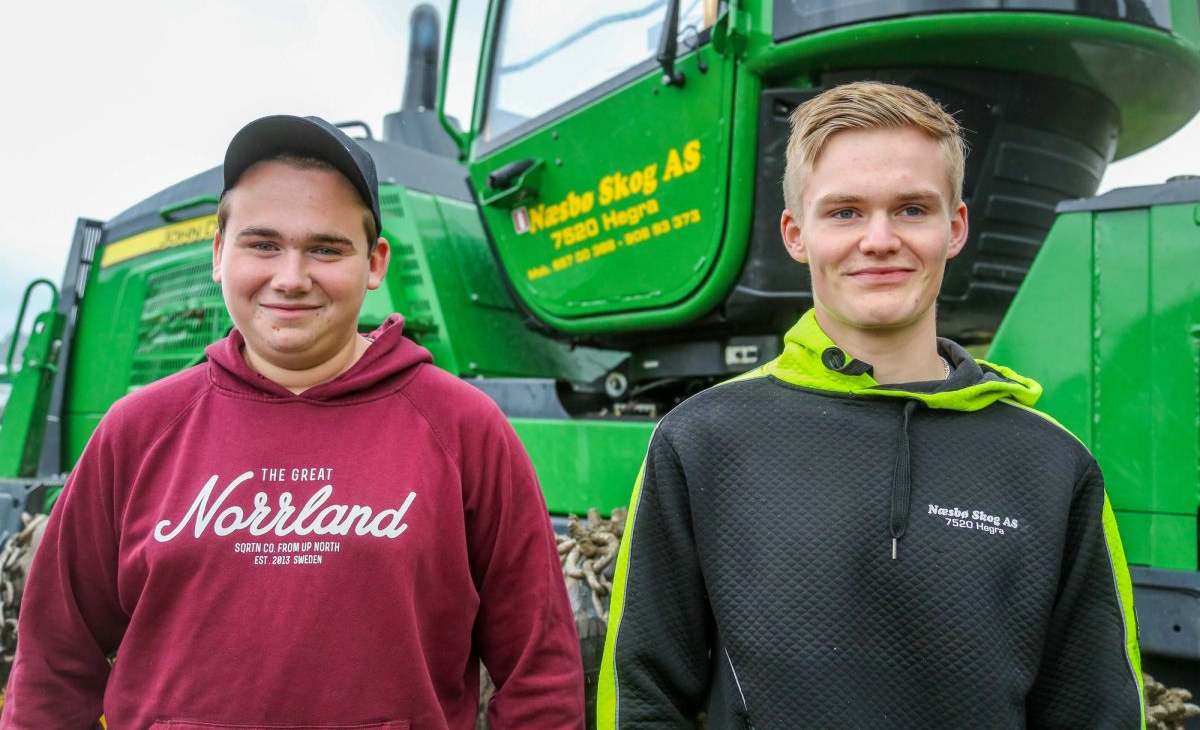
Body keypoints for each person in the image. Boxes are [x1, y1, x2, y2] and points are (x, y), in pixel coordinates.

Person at [3, 115, 584, 729]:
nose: (290, 277)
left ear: (376, 262)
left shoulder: (464, 429)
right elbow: (53, 663)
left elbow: (538, 669)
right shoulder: (138, 430)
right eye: (262, 244)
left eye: (325, 249)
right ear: (218, 255)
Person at [597, 82, 1143, 728]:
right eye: (845, 212)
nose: (879, 239)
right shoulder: (702, 442)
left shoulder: (1051, 464)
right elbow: (642, 699)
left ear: (955, 226)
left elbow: (1097, 710)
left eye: (912, 209)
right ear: (797, 234)